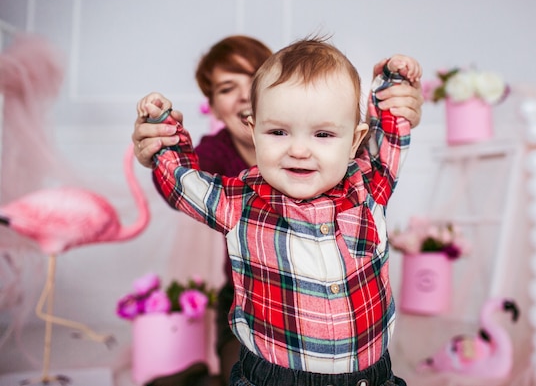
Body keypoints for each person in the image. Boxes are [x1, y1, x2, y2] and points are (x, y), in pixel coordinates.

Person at [132, 35, 423, 384]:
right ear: (252, 129)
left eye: (323, 135)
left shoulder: (368, 185)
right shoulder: (240, 200)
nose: (299, 150)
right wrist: (162, 141)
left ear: (354, 143)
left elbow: (388, 139)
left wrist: (393, 86)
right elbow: (184, 184)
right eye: (279, 131)